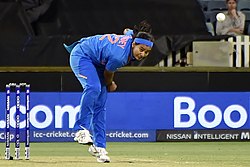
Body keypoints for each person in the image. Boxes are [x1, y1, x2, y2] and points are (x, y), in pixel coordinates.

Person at [63, 20, 154, 163]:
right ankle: (80, 130)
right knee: (94, 88)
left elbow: (126, 31)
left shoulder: (132, 38)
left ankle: (99, 147)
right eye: (141, 49)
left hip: (98, 62)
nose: (143, 54)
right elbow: (108, 74)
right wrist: (110, 84)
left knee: (100, 103)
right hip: (82, 55)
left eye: (147, 52)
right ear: (134, 44)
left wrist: (128, 32)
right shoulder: (120, 57)